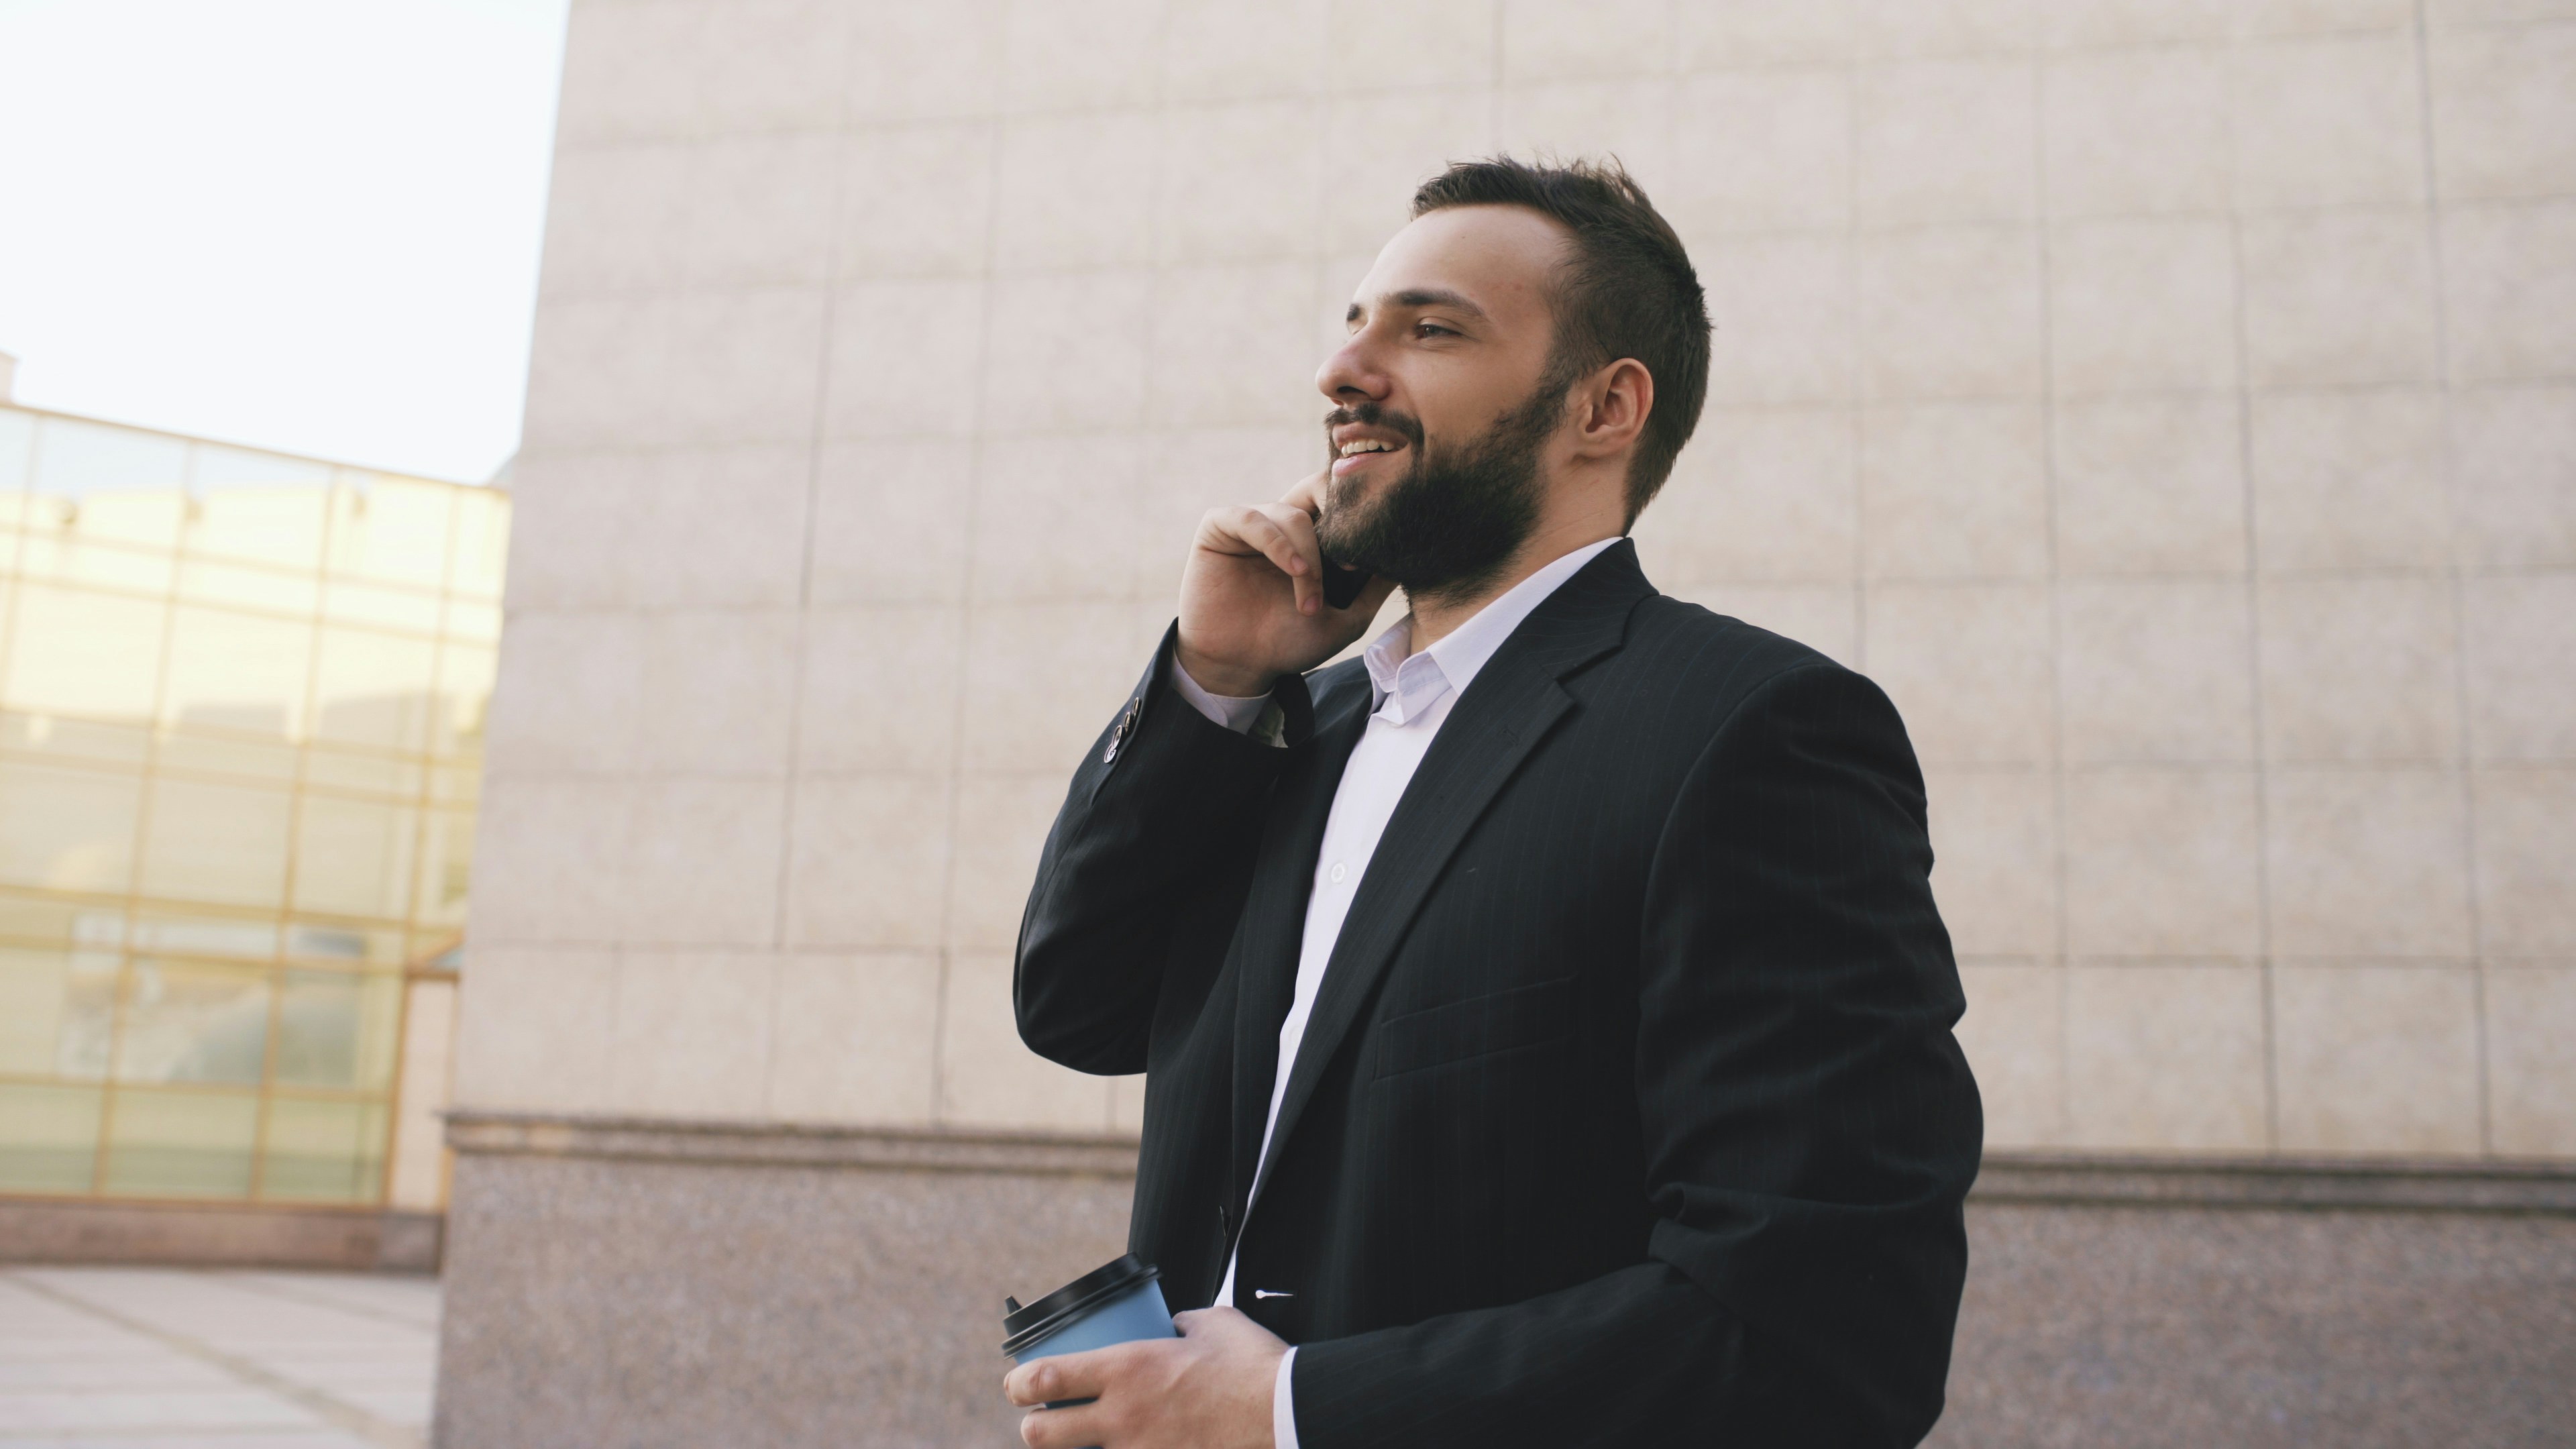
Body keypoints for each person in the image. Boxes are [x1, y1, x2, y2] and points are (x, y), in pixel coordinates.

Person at [1003, 157, 1982, 1448]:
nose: (1343, 373)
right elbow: (1077, 1003)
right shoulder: (1300, 727)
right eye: (1353, 325)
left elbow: (1820, 1338)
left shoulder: (1751, 734)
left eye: (1431, 328)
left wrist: (1290, 1410)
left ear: (1604, 407)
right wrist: (1217, 679)